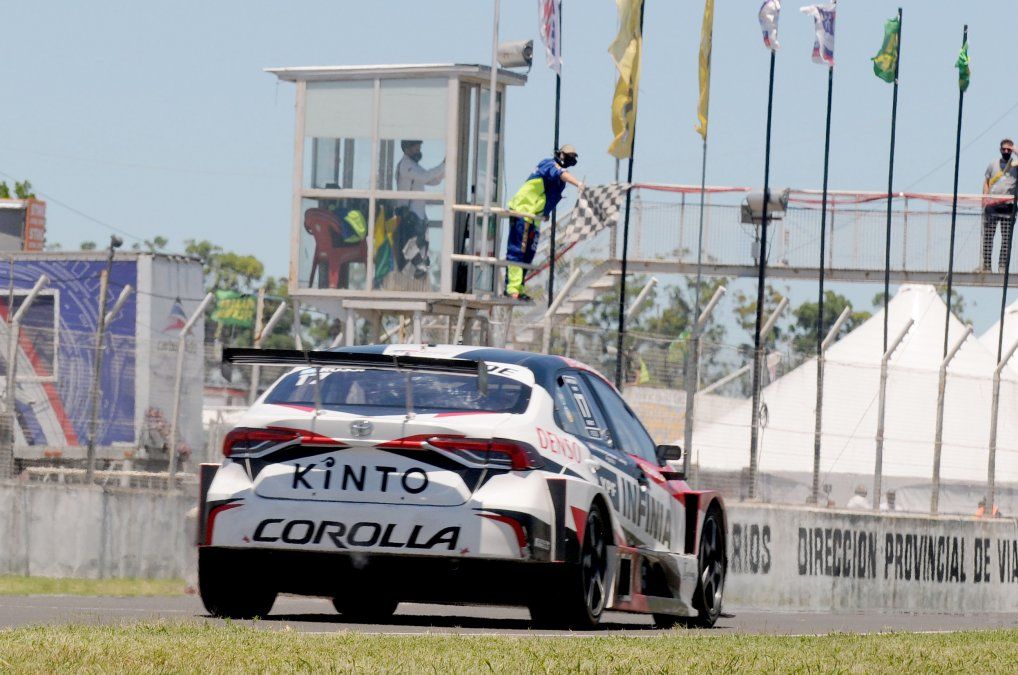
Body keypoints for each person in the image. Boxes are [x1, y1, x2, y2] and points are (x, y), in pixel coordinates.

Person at [504, 145, 583, 300]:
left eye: (574, 157)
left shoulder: (560, 183)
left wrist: (545, 213)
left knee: (528, 255)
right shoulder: (548, 164)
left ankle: (518, 288)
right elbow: (559, 172)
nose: (571, 160)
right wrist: (579, 184)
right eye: (569, 155)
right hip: (523, 211)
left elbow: (550, 196)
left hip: (534, 218)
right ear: (560, 154)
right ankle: (512, 289)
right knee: (517, 251)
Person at [395, 140, 445, 279]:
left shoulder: (413, 165)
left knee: (421, 245)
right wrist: (443, 166)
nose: (418, 149)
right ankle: (418, 268)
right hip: (409, 214)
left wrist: (444, 169)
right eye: (415, 147)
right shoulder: (405, 165)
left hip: (419, 215)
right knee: (409, 246)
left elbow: (432, 181)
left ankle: (421, 268)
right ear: (406, 148)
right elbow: (426, 176)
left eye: (419, 147)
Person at [981, 138, 1018, 273]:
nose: (1006, 151)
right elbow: (986, 181)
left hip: (1009, 206)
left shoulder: (1015, 165)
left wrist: (1016, 150)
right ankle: (986, 266)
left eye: (1009, 149)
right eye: (1004, 149)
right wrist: (984, 198)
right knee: (989, 236)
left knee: (1006, 238)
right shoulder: (993, 164)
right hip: (992, 205)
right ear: (1000, 150)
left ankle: (1002, 266)